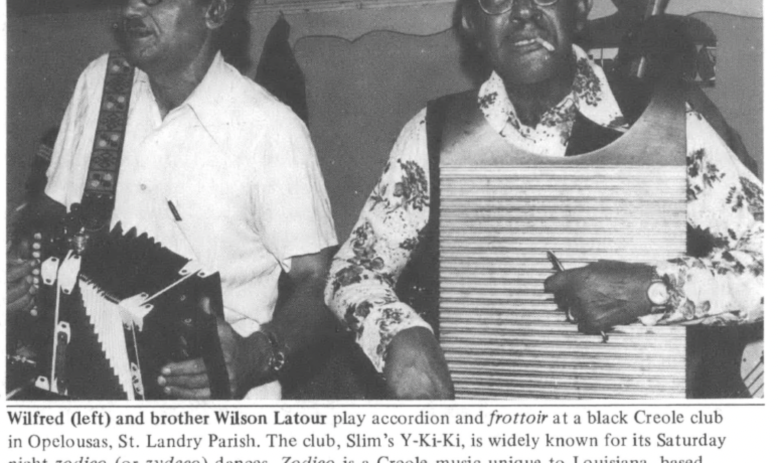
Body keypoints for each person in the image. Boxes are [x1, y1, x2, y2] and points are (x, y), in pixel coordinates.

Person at [324, 0, 762, 399]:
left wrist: (653, 290)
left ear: (582, 6)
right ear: (470, 23)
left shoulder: (665, 123)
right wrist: (398, 334)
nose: (524, 11)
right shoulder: (434, 135)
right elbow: (352, 272)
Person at [6, 0, 338, 400]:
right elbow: (48, 213)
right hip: (87, 390)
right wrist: (17, 262)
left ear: (214, 11)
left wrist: (254, 356)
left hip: (212, 409)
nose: (131, 9)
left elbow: (320, 282)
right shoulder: (100, 84)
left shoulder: (271, 129)